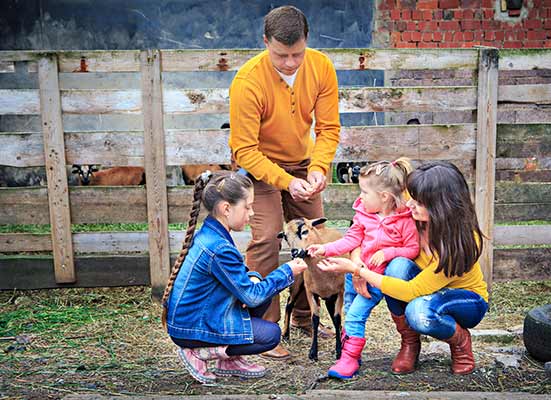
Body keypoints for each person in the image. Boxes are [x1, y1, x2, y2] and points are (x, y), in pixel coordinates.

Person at [228, 5, 340, 359]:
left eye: (297, 54)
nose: (291, 63)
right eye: (281, 55)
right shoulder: (248, 81)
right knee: (265, 238)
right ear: (266, 43)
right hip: (259, 168)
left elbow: (328, 129)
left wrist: (319, 168)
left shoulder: (321, 66)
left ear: (307, 41)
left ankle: (305, 317)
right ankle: (265, 328)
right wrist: (285, 181)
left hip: (304, 164)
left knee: (313, 238)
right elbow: (244, 150)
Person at [317, 161, 489, 377]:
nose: (410, 204)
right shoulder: (414, 214)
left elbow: (412, 291)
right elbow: (365, 230)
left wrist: (362, 272)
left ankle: (460, 340)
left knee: (418, 313)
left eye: (418, 202)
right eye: (412, 198)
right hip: (423, 290)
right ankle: (410, 342)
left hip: (466, 301)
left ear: (441, 206)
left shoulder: (460, 240)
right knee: (397, 266)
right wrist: (359, 262)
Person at [161, 170, 307, 384]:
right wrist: (287, 272)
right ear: (226, 208)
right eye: (247, 207)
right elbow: (252, 298)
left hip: (196, 317)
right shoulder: (218, 246)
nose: (252, 213)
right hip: (190, 328)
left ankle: (229, 360)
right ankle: (200, 352)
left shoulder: (212, 233)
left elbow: (241, 284)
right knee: (270, 334)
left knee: (260, 286)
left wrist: (256, 278)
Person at [306, 158, 420, 379]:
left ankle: (348, 360)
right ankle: (351, 352)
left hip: (377, 279)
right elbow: (349, 241)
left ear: (384, 197)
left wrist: (389, 253)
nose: (360, 197)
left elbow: (412, 249)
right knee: (350, 312)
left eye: (365, 192)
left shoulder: (404, 221)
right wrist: (324, 249)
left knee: (355, 316)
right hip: (354, 275)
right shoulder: (363, 216)